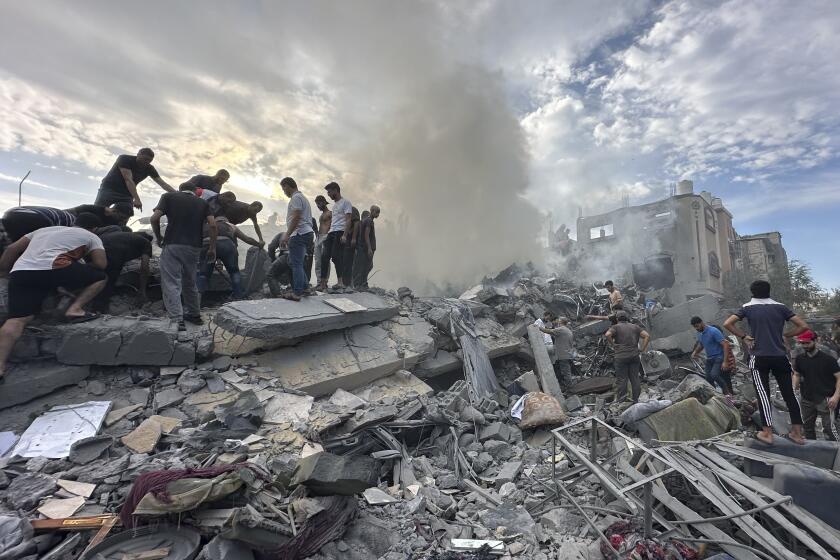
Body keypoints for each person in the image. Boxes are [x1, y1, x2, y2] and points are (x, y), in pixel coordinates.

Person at [0, 213, 108, 378]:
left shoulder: (43, 230)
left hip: (22, 272)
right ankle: (75, 309)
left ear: (75, 223)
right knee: (101, 277)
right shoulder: (91, 236)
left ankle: (0, 366)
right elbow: (101, 264)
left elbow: (11, 249)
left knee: (16, 320)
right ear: (95, 228)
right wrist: (81, 266)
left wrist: (5, 273)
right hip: (56, 266)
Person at [724, 279, 809, 444]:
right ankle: (797, 433)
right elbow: (803, 326)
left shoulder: (747, 308)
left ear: (752, 292)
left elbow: (728, 323)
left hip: (759, 356)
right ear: (769, 291)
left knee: (763, 393)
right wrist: (787, 335)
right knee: (790, 394)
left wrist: (744, 336)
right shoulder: (781, 307)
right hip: (780, 356)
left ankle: (767, 433)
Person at [151, 185, 217, 331]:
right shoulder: (202, 203)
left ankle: (177, 319)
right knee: (190, 281)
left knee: (171, 281)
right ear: (195, 192)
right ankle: (194, 314)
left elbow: (155, 218)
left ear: (180, 189)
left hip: (172, 243)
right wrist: (212, 248)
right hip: (194, 247)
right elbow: (213, 225)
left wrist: (159, 237)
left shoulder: (168, 197)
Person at [197, 216, 262, 299]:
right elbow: (247, 239)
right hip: (226, 245)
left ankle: (197, 300)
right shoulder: (230, 225)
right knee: (234, 272)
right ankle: (238, 296)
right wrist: (259, 244)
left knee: (203, 274)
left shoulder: (206, 226)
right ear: (225, 220)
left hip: (207, 244)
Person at [793, 330, 840, 441]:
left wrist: (836, 396)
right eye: (803, 343)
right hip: (807, 398)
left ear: (815, 341)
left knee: (830, 428)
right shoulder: (800, 359)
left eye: (807, 343)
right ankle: (813, 451)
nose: (805, 346)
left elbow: (839, 378)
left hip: (826, 398)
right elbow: (796, 374)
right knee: (807, 427)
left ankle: (837, 451)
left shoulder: (828, 360)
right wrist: (795, 386)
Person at [2, 203, 133, 242]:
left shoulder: (111, 222)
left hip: (20, 212)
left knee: (9, 238)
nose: (122, 221)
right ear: (115, 210)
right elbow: (68, 211)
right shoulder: (90, 209)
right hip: (39, 219)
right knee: (25, 243)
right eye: (122, 217)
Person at [95, 148, 176, 210]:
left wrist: (178, 194)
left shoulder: (149, 168)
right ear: (138, 154)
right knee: (98, 211)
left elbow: (163, 184)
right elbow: (128, 179)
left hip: (127, 194)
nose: (146, 162)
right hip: (109, 189)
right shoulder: (125, 159)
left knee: (125, 214)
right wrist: (137, 199)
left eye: (149, 161)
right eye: (144, 159)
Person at [276, 177, 314, 301]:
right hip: (307, 233)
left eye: (284, 188)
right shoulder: (303, 198)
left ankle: (297, 293)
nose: (284, 191)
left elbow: (296, 216)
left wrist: (287, 234)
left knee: (296, 264)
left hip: (299, 234)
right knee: (296, 262)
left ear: (288, 185)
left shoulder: (296, 198)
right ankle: (305, 287)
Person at [97, 231, 153, 308]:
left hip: (96, 246)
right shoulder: (146, 243)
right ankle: (100, 308)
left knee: (98, 275)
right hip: (113, 252)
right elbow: (144, 268)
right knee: (110, 278)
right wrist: (142, 290)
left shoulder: (125, 236)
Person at [605, 311, 650, 403]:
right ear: (627, 318)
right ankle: (636, 400)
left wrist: (613, 345)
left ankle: (623, 401)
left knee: (622, 379)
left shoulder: (615, 327)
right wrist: (642, 349)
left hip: (621, 357)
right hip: (634, 356)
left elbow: (607, 334)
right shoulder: (635, 327)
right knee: (635, 378)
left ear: (617, 319)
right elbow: (647, 336)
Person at [317, 182, 353, 292]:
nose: (328, 194)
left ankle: (340, 282)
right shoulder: (335, 205)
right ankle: (322, 284)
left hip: (340, 232)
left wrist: (345, 235)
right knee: (324, 256)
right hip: (331, 233)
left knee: (336, 256)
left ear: (336, 190)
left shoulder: (346, 202)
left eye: (329, 192)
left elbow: (348, 220)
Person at [691, 316, 734, 395]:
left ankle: (728, 393)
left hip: (718, 357)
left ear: (701, 322)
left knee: (714, 375)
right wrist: (695, 352)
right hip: (710, 358)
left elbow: (725, 344)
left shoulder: (713, 331)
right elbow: (701, 344)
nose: (696, 328)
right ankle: (716, 394)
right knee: (708, 377)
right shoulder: (700, 334)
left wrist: (725, 361)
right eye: (694, 327)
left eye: (697, 326)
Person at [541, 316, 575, 389]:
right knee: (563, 371)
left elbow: (549, 331)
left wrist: (539, 328)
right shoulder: (567, 330)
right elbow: (555, 334)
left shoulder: (561, 329)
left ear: (561, 322)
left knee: (566, 372)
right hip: (567, 354)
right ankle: (565, 386)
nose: (557, 321)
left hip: (563, 355)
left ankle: (570, 388)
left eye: (558, 320)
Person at [352, 205, 379, 289]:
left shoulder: (366, 221)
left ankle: (361, 284)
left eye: (379, 212)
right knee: (365, 266)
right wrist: (369, 248)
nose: (378, 214)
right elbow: (366, 235)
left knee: (364, 266)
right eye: (377, 212)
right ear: (372, 211)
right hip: (367, 248)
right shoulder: (369, 221)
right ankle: (360, 284)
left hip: (364, 248)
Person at [342, 207, 361, 289]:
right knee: (344, 262)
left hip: (349, 241)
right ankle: (344, 283)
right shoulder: (342, 211)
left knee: (348, 262)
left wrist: (353, 238)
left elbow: (357, 223)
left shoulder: (351, 209)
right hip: (344, 241)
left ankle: (348, 284)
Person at [313, 195, 332, 282]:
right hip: (318, 237)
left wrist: (329, 237)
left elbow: (332, 226)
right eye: (317, 204)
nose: (318, 206)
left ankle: (325, 281)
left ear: (324, 202)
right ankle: (319, 281)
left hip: (326, 237)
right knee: (317, 260)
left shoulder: (330, 213)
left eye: (319, 204)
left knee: (325, 260)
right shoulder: (322, 215)